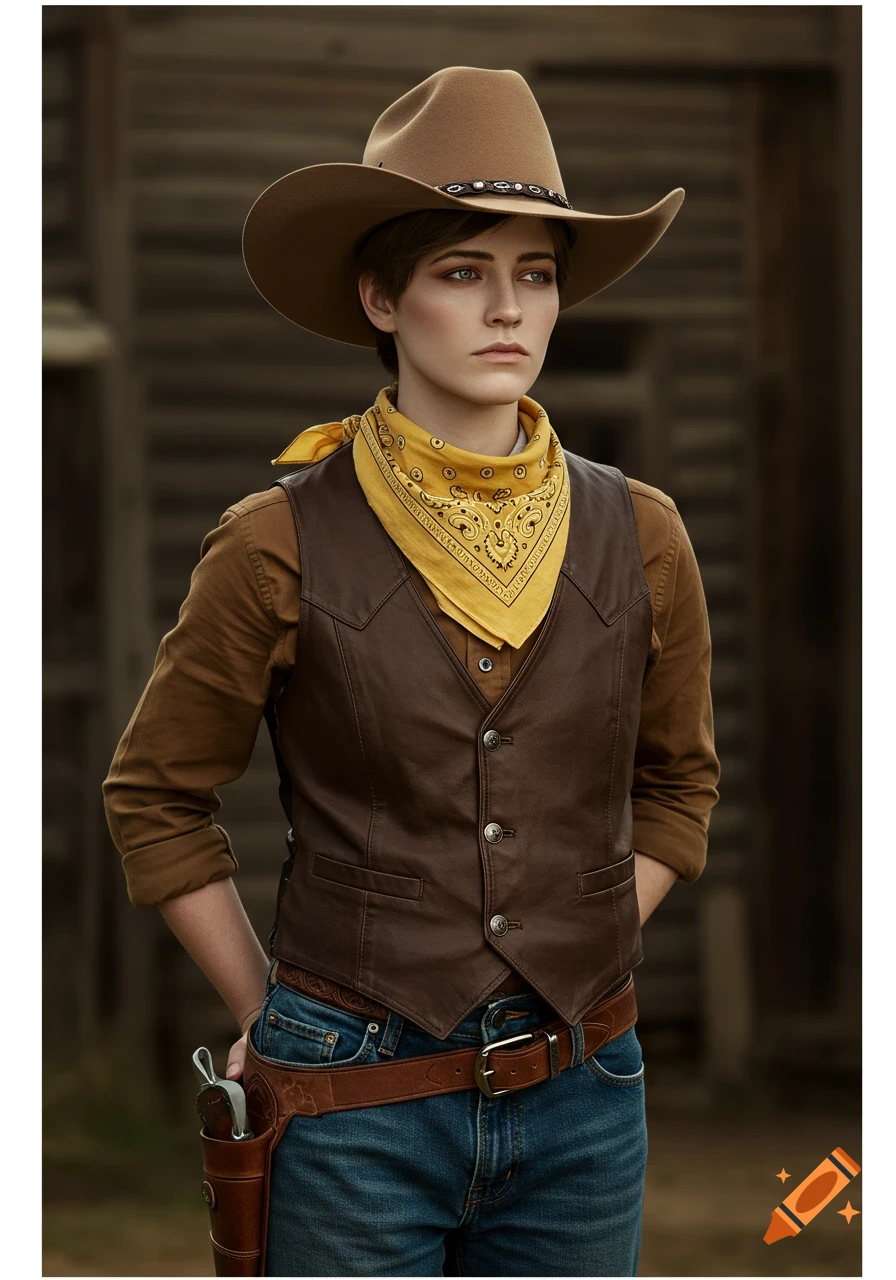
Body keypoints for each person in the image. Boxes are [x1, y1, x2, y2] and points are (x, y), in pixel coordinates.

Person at [103, 66, 720, 1277]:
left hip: (585, 1091)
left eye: (533, 274)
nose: (507, 309)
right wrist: (264, 1012)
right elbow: (155, 794)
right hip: (347, 1100)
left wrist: (575, 938)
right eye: (461, 272)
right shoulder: (274, 539)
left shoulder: (641, 532)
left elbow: (678, 788)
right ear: (381, 297)